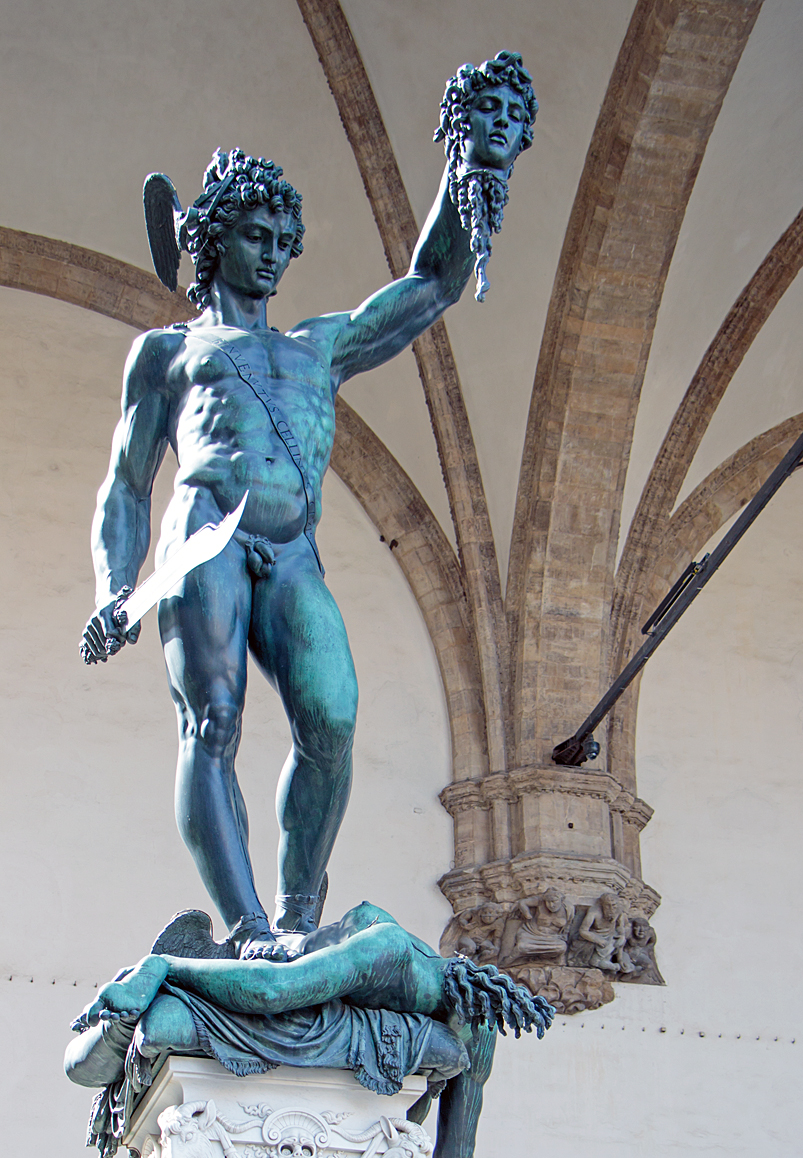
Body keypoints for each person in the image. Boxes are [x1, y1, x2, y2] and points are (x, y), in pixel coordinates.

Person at [80, 55, 537, 961]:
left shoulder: (318, 346)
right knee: (212, 720)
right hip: (203, 540)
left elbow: (432, 286)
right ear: (213, 240)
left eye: (282, 240)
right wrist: (111, 587)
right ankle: (246, 925)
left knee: (330, 718)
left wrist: (471, 164)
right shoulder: (169, 351)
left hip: (293, 553)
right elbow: (126, 484)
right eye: (254, 234)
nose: (274, 253)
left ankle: (295, 915)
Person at [65, 903, 553, 1158]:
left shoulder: (470, 1032)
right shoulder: (393, 956)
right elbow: (278, 990)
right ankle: (157, 973)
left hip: (313, 1008)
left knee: (149, 1031)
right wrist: (163, 966)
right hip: (279, 986)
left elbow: (457, 1143)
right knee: (134, 1037)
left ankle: (135, 1007)